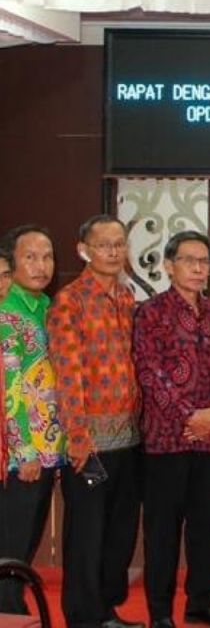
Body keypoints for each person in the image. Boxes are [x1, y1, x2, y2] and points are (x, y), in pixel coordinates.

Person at [133, 231, 210, 628]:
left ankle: (201, 603)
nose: (198, 268)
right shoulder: (151, 313)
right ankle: (160, 612)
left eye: (204, 261)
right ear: (169, 265)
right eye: (189, 260)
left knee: (207, 528)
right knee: (162, 532)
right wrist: (188, 416)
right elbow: (149, 372)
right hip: (165, 442)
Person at [48, 215, 143, 628]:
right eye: (103, 244)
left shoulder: (126, 297)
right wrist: (78, 436)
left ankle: (106, 611)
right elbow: (67, 375)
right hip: (90, 444)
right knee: (86, 537)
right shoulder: (69, 301)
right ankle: (84, 618)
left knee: (118, 535)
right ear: (83, 249)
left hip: (129, 439)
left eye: (119, 244)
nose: (112, 252)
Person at [0, 228, 64, 616]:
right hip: (20, 451)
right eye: (30, 257)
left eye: (47, 256)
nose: (41, 265)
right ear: (12, 262)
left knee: (27, 538)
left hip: (48, 446)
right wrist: (23, 451)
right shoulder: (7, 313)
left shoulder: (47, 307)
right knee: (13, 539)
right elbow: (7, 389)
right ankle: (8, 610)